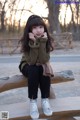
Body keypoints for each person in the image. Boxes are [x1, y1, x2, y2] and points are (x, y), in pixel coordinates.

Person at [19, 14, 54, 119]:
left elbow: (44, 59)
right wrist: (34, 42)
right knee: (35, 68)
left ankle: (44, 100)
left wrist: (42, 42)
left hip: (40, 64)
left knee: (43, 68)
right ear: (29, 30)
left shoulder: (46, 40)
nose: (38, 30)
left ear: (44, 28)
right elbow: (32, 61)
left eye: (40, 27)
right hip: (26, 65)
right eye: (34, 28)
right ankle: (33, 101)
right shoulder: (26, 41)